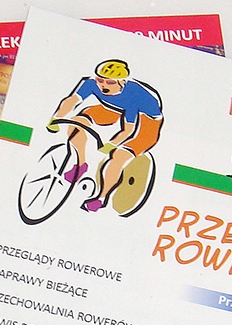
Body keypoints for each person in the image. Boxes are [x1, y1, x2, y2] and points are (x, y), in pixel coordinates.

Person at [48, 59, 163, 212]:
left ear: (121, 83)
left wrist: (111, 145)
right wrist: (56, 118)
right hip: (113, 108)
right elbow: (71, 101)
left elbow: (128, 130)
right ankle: (81, 165)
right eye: (100, 80)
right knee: (77, 122)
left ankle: (101, 198)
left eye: (110, 82)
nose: (103, 85)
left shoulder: (134, 96)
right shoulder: (91, 83)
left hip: (146, 120)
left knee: (118, 156)